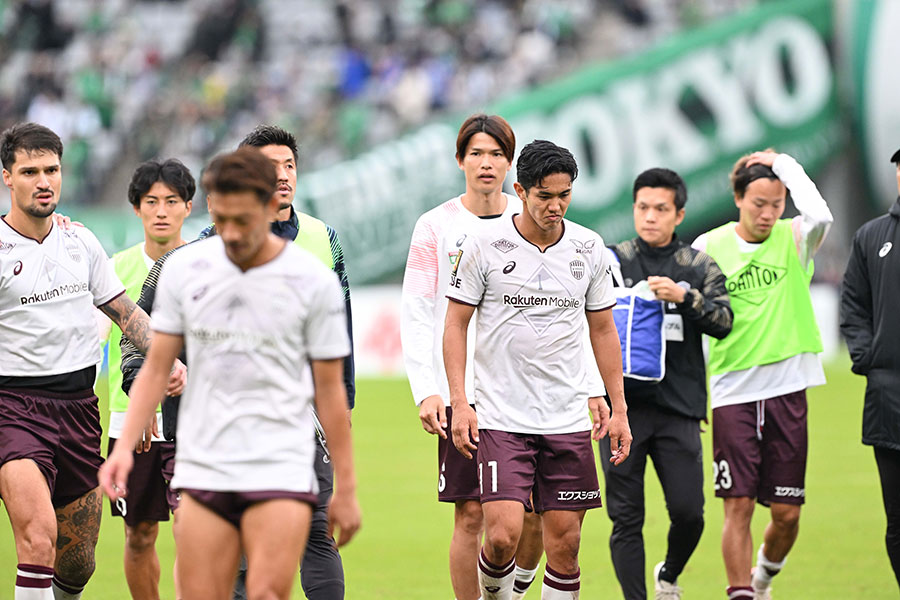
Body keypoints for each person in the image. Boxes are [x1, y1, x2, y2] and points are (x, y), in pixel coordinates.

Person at [99, 147, 361, 600]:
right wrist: (122, 449)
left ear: (266, 205)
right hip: (205, 465)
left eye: (243, 219)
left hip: (280, 462)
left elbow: (330, 389)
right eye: (222, 220)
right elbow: (157, 362)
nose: (232, 233)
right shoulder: (182, 270)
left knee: (265, 591)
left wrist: (348, 487)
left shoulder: (310, 281)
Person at [0, 122, 184, 600]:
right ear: (7, 178)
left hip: (80, 409)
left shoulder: (80, 242)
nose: (44, 181)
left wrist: (168, 362)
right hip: (13, 408)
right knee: (38, 538)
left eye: (52, 170)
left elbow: (127, 314)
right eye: (30, 171)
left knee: (77, 563)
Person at [444, 139, 632, 599]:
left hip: (565, 417)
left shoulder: (589, 248)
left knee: (565, 546)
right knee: (503, 535)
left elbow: (604, 332)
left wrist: (618, 406)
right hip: (500, 415)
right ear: (520, 189)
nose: (556, 206)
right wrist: (459, 402)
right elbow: (455, 325)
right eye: (545, 196)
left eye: (564, 195)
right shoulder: (483, 246)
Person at [400, 114, 545, 600]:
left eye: (497, 154)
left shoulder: (528, 220)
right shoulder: (436, 226)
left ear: (511, 163)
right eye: (477, 153)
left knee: (533, 515)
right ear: (460, 159)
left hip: (525, 387)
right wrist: (429, 390)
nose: (487, 163)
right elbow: (418, 311)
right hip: (461, 390)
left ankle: (510, 592)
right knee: (470, 513)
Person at [692, 149, 833, 600]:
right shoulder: (707, 248)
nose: (769, 213)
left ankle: (763, 578)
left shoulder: (795, 238)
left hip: (788, 391)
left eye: (776, 204)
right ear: (738, 198)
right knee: (738, 506)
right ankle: (740, 595)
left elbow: (821, 213)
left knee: (787, 514)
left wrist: (785, 164)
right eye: (759, 204)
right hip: (732, 392)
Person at [602, 168, 733, 599]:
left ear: (679, 214)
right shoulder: (613, 261)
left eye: (661, 209)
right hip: (621, 411)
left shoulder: (696, 265)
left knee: (689, 513)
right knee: (626, 519)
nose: (650, 217)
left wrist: (684, 297)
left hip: (679, 408)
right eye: (643, 208)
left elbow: (725, 321)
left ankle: (669, 575)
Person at [102, 159, 194, 600]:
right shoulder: (112, 269)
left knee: (193, 532)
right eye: (151, 201)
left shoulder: (203, 265)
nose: (161, 211)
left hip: (192, 423)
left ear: (189, 207)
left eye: (171, 201)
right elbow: (92, 343)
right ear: (136, 208)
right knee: (139, 536)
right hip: (129, 425)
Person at [839, 147, 900, 589]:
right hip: (888, 396)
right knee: (897, 520)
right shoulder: (871, 236)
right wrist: (869, 360)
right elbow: (853, 308)